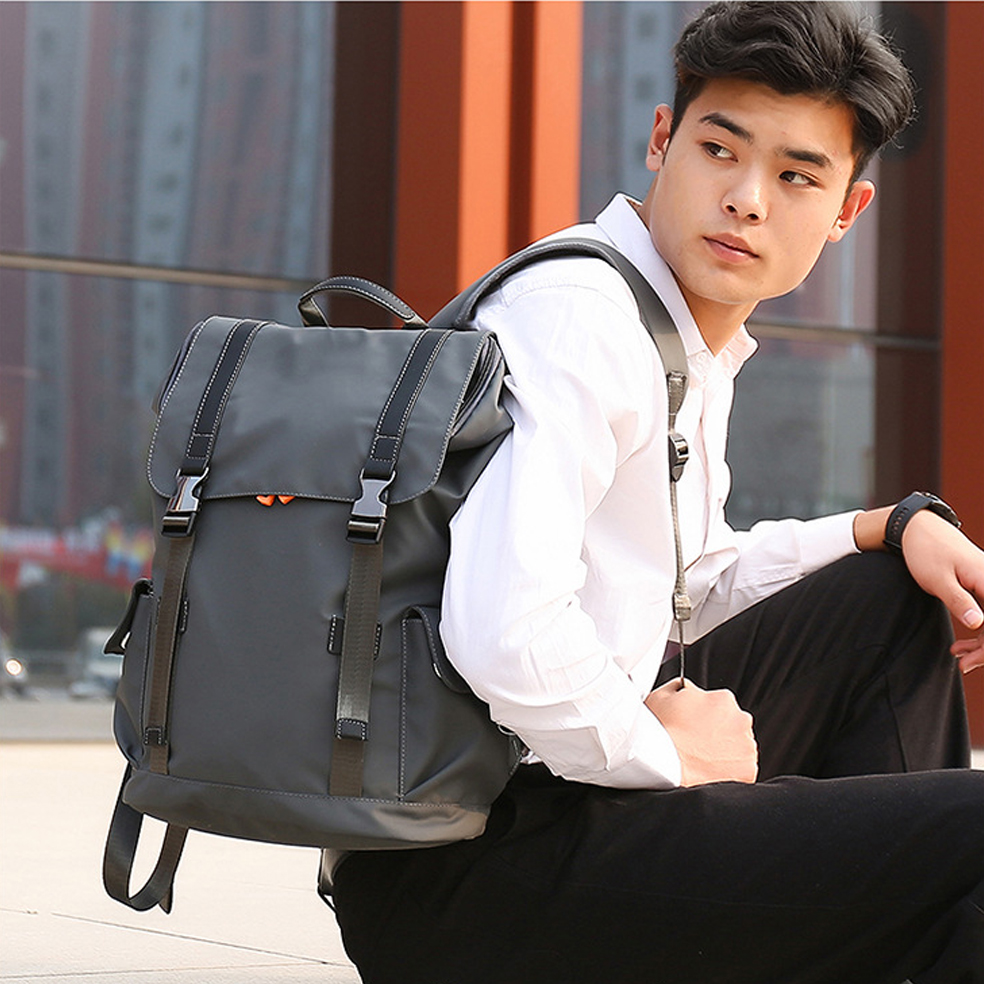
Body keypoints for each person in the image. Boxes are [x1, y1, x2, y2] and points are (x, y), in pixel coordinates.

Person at [331, 3, 984, 981]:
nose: (747, 199)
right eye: (721, 150)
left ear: (847, 211)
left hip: (535, 811)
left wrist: (880, 527)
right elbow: (500, 632)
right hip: (464, 867)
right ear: (662, 140)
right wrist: (667, 753)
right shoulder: (582, 324)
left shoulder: (672, 329)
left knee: (887, 598)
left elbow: (692, 580)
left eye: (797, 176)